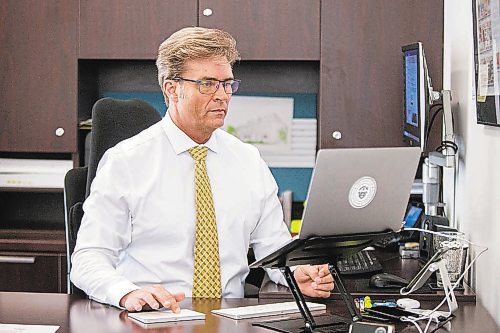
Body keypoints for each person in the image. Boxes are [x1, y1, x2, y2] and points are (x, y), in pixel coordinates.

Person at [70, 27, 334, 313]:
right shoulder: (126, 162)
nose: (222, 96)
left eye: (227, 84)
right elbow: (88, 259)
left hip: (229, 317)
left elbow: (273, 248)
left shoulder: (248, 160)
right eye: (207, 84)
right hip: (154, 318)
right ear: (172, 88)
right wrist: (126, 293)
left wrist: (296, 273)